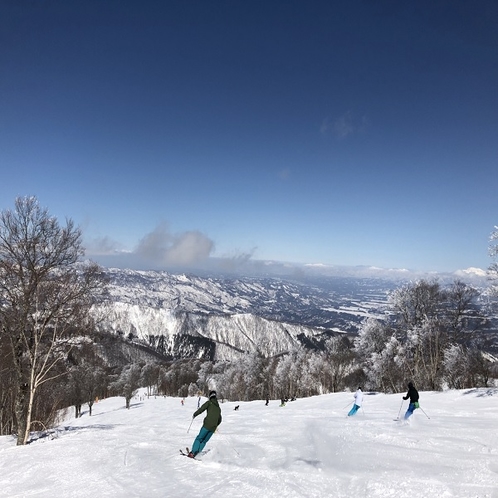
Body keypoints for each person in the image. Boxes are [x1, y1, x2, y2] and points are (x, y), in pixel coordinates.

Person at [188, 390, 222, 458]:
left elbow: (202, 409)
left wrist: (195, 414)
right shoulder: (218, 408)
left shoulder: (209, 403)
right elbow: (220, 419)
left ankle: (193, 452)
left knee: (199, 438)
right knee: (204, 441)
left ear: (210, 396)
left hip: (207, 425)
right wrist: (215, 425)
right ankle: (198, 452)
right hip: (213, 428)